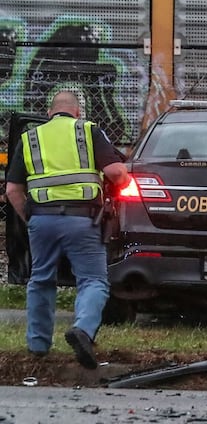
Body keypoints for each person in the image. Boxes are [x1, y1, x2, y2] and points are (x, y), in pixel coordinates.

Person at [5, 90, 129, 369]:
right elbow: (115, 173)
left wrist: (31, 219)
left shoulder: (30, 137)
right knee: (93, 280)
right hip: (83, 220)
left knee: (40, 279)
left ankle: (38, 345)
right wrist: (123, 181)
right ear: (77, 112)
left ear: (49, 113)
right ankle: (82, 330)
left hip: (42, 220)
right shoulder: (88, 131)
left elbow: (12, 190)